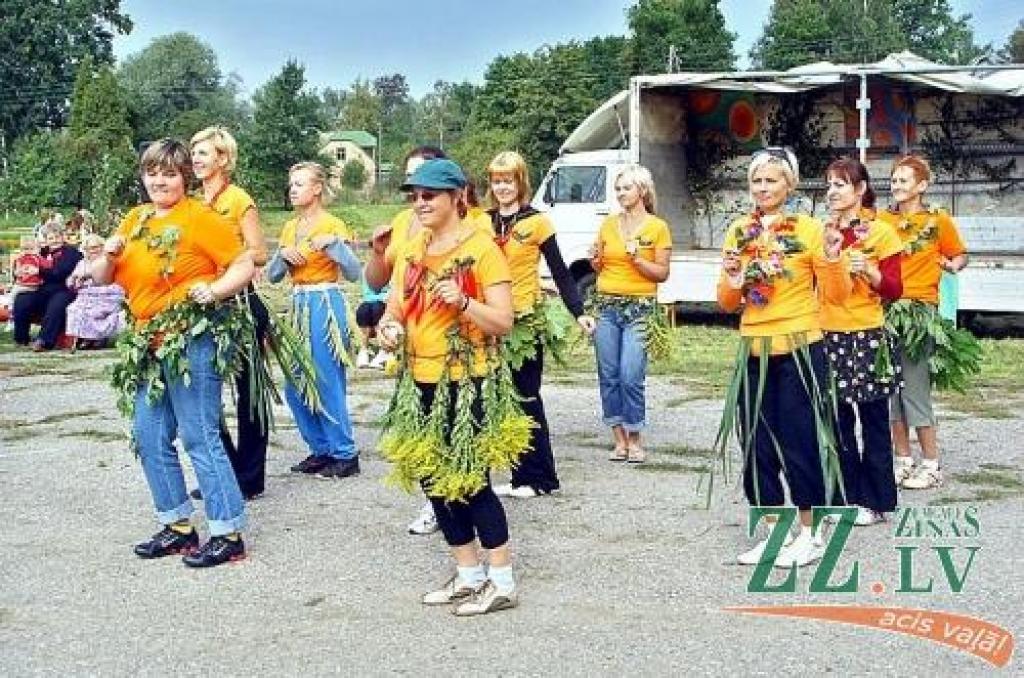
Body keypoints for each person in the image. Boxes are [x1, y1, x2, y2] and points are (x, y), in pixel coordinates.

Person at [90, 138, 255, 568]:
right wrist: (106, 255)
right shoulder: (136, 219)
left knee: (199, 434)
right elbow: (102, 277)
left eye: (169, 173)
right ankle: (177, 525)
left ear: (184, 177)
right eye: (152, 173)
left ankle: (228, 532)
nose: (159, 181)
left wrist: (215, 291)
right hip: (146, 343)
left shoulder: (200, 218)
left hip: (191, 341)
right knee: (149, 435)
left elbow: (244, 263)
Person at [377, 158, 521, 616]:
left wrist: (464, 303)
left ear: (457, 197)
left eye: (429, 195)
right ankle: (468, 574)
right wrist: (389, 328)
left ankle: (501, 581)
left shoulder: (482, 249)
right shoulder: (412, 249)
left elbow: (503, 320)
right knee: (433, 479)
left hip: (466, 379)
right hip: (419, 379)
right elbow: (395, 307)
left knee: (471, 479)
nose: (420, 203)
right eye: (415, 196)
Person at [716, 147, 849, 568]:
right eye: (756, 180)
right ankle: (775, 532)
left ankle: (811, 534)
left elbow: (838, 294)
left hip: (799, 350)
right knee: (756, 446)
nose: (762, 188)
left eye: (771, 180)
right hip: (754, 351)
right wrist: (734, 279)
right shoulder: (739, 230)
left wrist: (833, 256)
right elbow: (726, 301)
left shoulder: (810, 229)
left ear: (789, 185)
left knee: (800, 443)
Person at [485, 151, 596, 497]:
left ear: (520, 182)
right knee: (499, 398)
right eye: (497, 181)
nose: (503, 187)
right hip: (491, 320)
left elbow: (561, 272)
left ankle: (541, 478)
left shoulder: (537, 222)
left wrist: (578, 312)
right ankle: (518, 475)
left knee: (526, 397)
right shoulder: (482, 223)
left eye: (508, 180)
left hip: (524, 322)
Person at [818, 158, 904, 526]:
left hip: (867, 334)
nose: (832, 192)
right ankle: (844, 497)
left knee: (873, 420)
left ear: (860, 189)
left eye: (839, 184)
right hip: (827, 332)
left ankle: (876, 501)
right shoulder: (823, 232)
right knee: (836, 421)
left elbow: (895, 289)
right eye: (829, 185)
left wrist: (869, 270)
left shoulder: (881, 232)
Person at [265, 161, 362, 479]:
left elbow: (353, 272)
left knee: (326, 380)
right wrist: (282, 256)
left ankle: (344, 453)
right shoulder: (289, 228)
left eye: (300, 184)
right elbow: (273, 276)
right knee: (295, 385)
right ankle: (321, 449)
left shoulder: (333, 224)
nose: (292, 189)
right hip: (297, 306)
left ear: (317, 188)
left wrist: (334, 246)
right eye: (291, 184)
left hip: (324, 303)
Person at [877, 155, 968, 490]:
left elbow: (960, 254)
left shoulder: (937, 220)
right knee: (891, 390)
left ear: (922, 185)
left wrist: (953, 265)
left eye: (903, 180)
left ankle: (931, 464)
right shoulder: (882, 220)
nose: (896, 185)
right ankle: (903, 461)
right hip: (886, 312)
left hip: (919, 314)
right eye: (894, 180)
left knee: (914, 389)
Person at [190, 125, 271, 500]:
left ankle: (250, 478)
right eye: (194, 152)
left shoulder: (239, 200)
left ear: (223, 158)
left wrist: (224, 257)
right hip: (202, 306)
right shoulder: (192, 202)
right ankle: (224, 471)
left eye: (203, 152)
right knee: (204, 395)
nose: (195, 159)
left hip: (239, 304)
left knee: (249, 395)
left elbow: (260, 253)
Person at [589, 164, 671, 463]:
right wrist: (595, 261)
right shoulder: (608, 224)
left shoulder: (657, 227)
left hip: (640, 308)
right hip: (606, 306)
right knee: (608, 374)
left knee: (630, 374)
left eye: (626, 188)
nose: (621, 193)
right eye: (618, 189)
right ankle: (619, 438)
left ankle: (635, 437)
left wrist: (639, 261)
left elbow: (662, 273)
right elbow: (600, 265)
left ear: (642, 190)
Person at [12, 226, 82, 351]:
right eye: (51, 238)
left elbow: (61, 272)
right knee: (22, 299)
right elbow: (23, 264)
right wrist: (18, 272)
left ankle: (44, 341)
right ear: (45, 240)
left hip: (64, 288)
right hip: (43, 289)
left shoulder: (72, 252)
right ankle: (21, 338)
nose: (54, 240)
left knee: (57, 304)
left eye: (57, 237)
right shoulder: (40, 252)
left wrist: (38, 271)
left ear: (63, 237)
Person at [65, 234, 125, 349]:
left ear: (103, 247)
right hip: (86, 294)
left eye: (96, 247)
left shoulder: (110, 261)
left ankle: (98, 338)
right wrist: (74, 281)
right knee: (75, 309)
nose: (93, 250)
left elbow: (114, 281)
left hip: (108, 294)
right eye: (89, 248)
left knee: (95, 310)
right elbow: (71, 281)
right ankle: (87, 338)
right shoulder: (82, 263)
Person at [354, 269, 392, 369]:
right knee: (363, 310)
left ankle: (384, 350)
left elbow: (392, 293)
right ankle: (364, 350)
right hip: (372, 302)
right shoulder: (368, 270)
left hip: (388, 304)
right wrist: (379, 298)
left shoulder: (393, 269)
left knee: (377, 309)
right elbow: (367, 295)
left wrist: (382, 298)